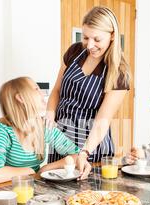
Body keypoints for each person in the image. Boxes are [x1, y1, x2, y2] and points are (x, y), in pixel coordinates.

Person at [46, 6, 131, 179]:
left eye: (97, 39)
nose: (90, 45)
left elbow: (102, 121)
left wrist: (84, 152)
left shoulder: (119, 72)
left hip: (91, 145)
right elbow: (56, 90)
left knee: (88, 200)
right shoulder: (75, 51)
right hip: (61, 140)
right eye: (86, 37)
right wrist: (50, 113)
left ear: (112, 35)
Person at [0, 77, 82, 184]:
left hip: (35, 188)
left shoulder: (44, 126)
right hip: (10, 192)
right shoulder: (1, 129)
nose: (42, 93)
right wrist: (31, 171)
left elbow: (77, 154)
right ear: (21, 98)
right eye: (36, 89)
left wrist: (46, 168)